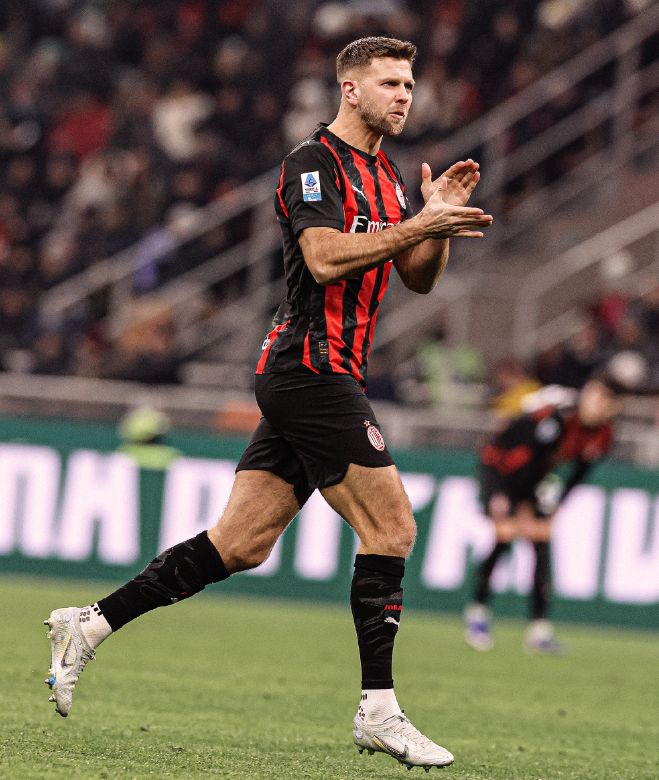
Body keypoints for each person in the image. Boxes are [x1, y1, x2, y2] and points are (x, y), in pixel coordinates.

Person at [44, 36, 493, 771]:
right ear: (350, 89)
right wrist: (418, 225)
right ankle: (379, 710)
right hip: (309, 369)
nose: (404, 96)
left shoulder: (387, 176)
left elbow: (416, 276)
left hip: (330, 373)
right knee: (393, 527)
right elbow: (322, 257)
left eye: (409, 84)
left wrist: (435, 217)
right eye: (389, 83)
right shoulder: (311, 163)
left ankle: (88, 625)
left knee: (242, 543)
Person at [464, 376, 621, 655]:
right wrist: (514, 503)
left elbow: (577, 473)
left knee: (541, 545)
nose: (595, 404)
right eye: (593, 395)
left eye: (603, 400)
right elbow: (522, 455)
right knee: (504, 537)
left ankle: (539, 630)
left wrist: (555, 506)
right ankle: (477, 613)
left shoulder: (603, 435)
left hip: (535, 482)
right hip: (501, 471)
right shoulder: (559, 417)